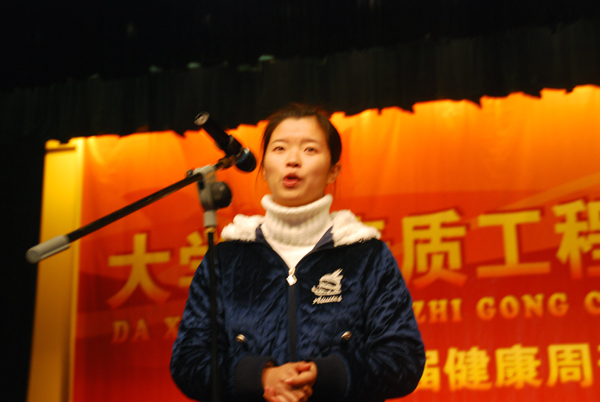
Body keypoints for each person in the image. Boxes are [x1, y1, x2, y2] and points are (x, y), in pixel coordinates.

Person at [170, 103, 425, 402]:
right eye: (279, 149)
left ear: (333, 171)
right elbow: (188, 361)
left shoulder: (367, 256)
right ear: (264, 168)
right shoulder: (226, 259)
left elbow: (403, 359)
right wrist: (260, 377)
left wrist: (325, 375)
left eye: (309, 149)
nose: (292, 160)